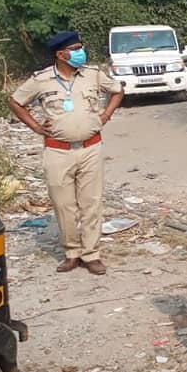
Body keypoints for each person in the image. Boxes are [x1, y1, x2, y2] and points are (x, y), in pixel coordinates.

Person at [8, 31, 123, 275]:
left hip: (91, 148)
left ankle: (91, 254)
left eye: (81, 47)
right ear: (61, 55)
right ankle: (72, 253)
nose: (81, 52)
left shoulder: (92, 75)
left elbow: (118, 90)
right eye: (76, 49)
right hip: (57, 152)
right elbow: (16, 102)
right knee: (63, 205)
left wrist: (105, 115)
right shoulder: (42, 80)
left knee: (91, 203)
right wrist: (36, 127)